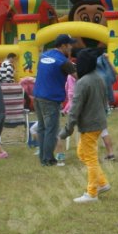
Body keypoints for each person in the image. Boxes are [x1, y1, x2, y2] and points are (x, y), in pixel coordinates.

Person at [59, 48, 111, 203]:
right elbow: (104, 101)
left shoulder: (82, 82)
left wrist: (66, 131)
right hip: (99, 123)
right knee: (82, 153)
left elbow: (75, 109)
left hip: (90, 125)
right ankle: (102, 183)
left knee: (90, 158)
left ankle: (92, 193)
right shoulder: (99, 77)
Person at [34, 34, 76, 167]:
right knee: (51, 129)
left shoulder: (44, 56)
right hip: (51, 98)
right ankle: (48, 160)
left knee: (42, 128)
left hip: (37, 96)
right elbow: (78, 76)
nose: (71, 47)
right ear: (63, 46)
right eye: (69, 45)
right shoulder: (63, 62)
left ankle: (43, 157)